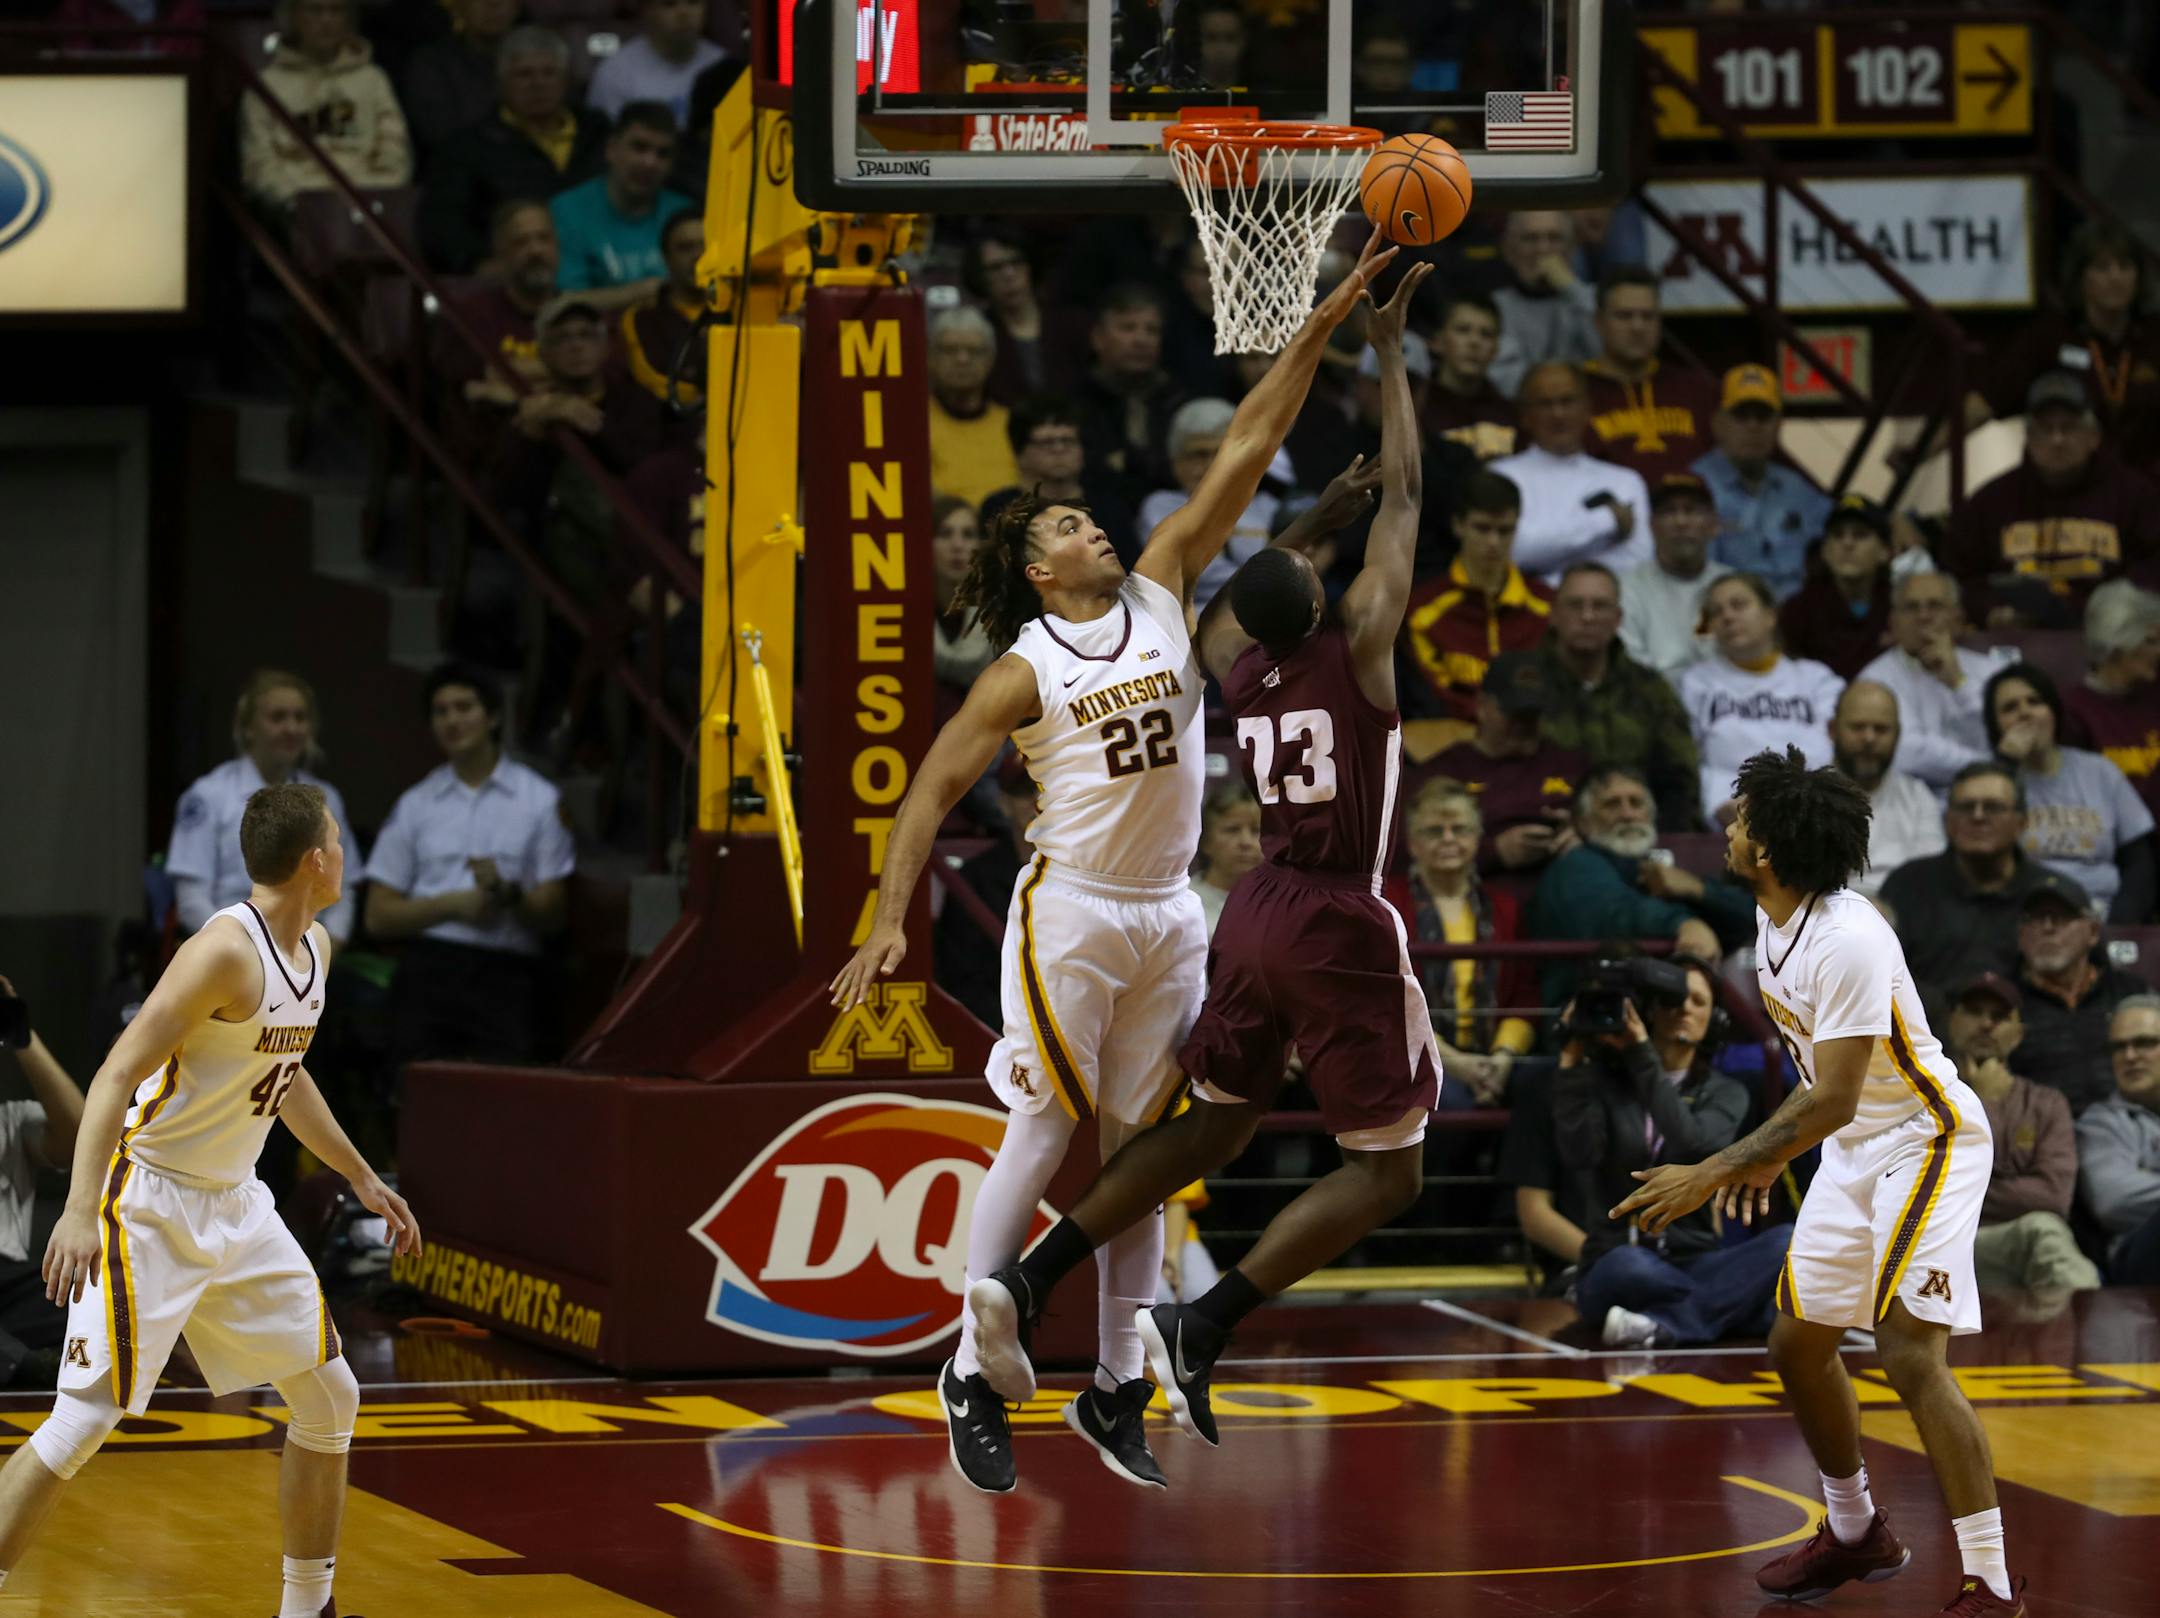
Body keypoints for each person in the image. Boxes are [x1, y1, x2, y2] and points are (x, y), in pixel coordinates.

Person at [826, 236, 1400, 1496]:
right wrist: (885, 918)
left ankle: (1111, 1383)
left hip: (1170, 913)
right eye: (1074, 523)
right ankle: (970, 1367)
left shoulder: (1157, 588)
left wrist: (1328, 316)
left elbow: (1249, 436)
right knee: (1044, 1121)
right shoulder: (1028, 663)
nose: (1098, 521)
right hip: (1072, 906)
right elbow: (928, 785)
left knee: (1148, 1151)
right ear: (1044, 567)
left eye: (1093, 515)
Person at [952, 260, 1444, 1463]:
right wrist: (1383, 355)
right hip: (1329, 914)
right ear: (1324, 601)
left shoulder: (1232, 665)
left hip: (1240, 911)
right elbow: (1411, 500)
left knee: (1195, 1130)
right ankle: (1200, 1317)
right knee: (1392, 1172)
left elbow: (1260, 572)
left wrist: (1314, 518)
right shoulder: (1362, 647)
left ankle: (1050, 1297)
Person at [1614, 747, 2024, 1615]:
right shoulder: (1772, 918)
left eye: (1741, 819)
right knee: (1797, 1347)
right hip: (1850, 1144)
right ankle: (1854, 1530)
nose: (1728, 827)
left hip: (1925, 1137)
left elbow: (1834, 1096)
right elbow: (1825, 1088)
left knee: (1911, 1354)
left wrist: (1717, 1167)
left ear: (1767, 849)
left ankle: (1991, 1583)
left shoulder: (1849, 937)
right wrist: (1767, 1154)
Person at [0, 783, 420, 1618]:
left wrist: (359, 1173)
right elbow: (118, 1072)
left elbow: (284, 1074)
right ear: (316, 860)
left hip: (237, 1206)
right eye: (338, 841)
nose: (344, 854)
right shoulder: (223, 950)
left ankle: (308, 1609)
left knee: (332, 1395)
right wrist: (81, 1209)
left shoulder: (318, 952)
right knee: (82, 1422)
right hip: (149, 1203)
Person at [1507, 953, 1787, 1345]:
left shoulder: (1728, 1092)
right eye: (1675, 999)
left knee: (1787, 1241)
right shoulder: (1604, 1083)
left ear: (1715, 1021)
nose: (1685, 1010)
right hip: (1619, 1258)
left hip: (1697, 1260)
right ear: (1650, 1011)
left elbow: (1690, 1140)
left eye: (1698, 1002)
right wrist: (1572, 1068)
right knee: (1632, 1268)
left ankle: (1666, 1323)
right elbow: (1579, 1154)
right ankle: (1724, 1309)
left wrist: (1642, 1055)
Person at [365, 665, 577, 1069]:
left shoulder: (539, 800)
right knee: (418, 1096)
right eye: (440, 712)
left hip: (508, 974)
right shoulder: (416, 804)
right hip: (430, 969)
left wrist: (509, 894)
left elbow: (554, 913)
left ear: (493, 717)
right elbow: (377, 917)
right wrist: (453, 906)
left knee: (504, 1101)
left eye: (464, 707)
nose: (452, 721)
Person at [1940, 371, 2160, 629]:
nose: (2057, 440)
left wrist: (2111, 608)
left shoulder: (2134, 495)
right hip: (2014, 636)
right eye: (2045, 429)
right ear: (2029, 438)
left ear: (2094, 437)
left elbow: (2153, 568)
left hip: (2110, 639)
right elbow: (1960, 576)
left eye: (2069, 427)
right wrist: (1990, 612)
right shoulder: (1990, 502)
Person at [1528, 765, 1753, 1010]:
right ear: (1582, 821)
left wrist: (1698, 890)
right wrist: (1684, 924)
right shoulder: (1573, 866)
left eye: (1636, 803)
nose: (1628, 814)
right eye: (1612, 804)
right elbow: (1617, 915)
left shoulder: (1654, 872)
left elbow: (1749, 916)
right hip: (1584, 1028)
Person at [168, 670, 366, 947]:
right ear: (248, 727)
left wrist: (327, 947)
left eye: (300, 717)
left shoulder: (326, 799)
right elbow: (192, 899)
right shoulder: (209, 795)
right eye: (278, 717)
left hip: (307, 954)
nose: (292, 728)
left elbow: (343, 889)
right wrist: (247, 949)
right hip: (232, 951)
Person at [1940, 975, 2099, 1297]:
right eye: (1974, 1012)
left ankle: (2085, 1343)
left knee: (2044, 1231)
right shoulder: (1923, 1096)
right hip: (1938, 1240)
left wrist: (1966, 1186)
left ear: (2019, 1034)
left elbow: (2053, 1196)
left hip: (2008, 1244)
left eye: (1999, 1017)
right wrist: (1979, 1101)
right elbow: (1919, 1188)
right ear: (1952, 1021)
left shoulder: (2047, 1103)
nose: (1986, 1024)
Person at [1386, 779, 1535, 1106]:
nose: (1449, 839)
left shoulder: (1505, 907)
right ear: (1412, 843)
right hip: (1411, 1058)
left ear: (1478, 838)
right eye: (1434, 831)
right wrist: (1456, 1063)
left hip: (1493, 1056)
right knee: (1449, 1099)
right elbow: (1385, 1000)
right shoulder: (1388, 904)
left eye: (1460, 829)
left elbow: (1525, 994)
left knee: (1545, 1083)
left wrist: (1502, 1058)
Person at [1972, 221, 2160, 478]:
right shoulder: (2049, 338)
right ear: (2081, 277)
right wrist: (1918, 449)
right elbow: (1987, 401)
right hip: (2070, 491)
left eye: (2125, 267)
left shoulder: (2153, 337)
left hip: (2146, 493)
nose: (2115, 277)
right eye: (2102, 268)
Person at [419, 27, 608, 273]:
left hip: (601, 266)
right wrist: (477, 263)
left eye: (549, 73)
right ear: (500, 83)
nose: (538, 84)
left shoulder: (599, 133)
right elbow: (442, 225)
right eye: (524, 74)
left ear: (566, 81)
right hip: (516, 275)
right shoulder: (468, 147)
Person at [1535, 561, 1703, 833]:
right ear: (1553, 614)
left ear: (1618, 619)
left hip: (1638, 833)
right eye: (1575, 605)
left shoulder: (1650, 689)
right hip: (1548, 834)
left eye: (1600, 606)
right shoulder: (1525, 685)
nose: (1588, 616)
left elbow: (1681, 780)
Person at [1984, 661, 2155, 920]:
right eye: (2010, 708)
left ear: (2053, 711)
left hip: (2101, 910)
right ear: (1995, 726)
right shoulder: (1989, 780)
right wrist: (2005, 765)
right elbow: (1982, 851)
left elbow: (2139, 859)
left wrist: (2123, 919)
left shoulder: (2099, 771)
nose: (2025, 713)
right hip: (2023, 915)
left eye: (2035, 702)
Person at [1879, 762, 2057, 1011]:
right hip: (1926, 1034)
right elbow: (1880, 980)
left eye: (1993, 807)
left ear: (2022, 822)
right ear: (1948, 821)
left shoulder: (2053, 896)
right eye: (1965, 807)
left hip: (2029, 1036)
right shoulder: (1907, 886)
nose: (1978, 816)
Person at [1414, 652, 1587, 897]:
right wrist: (1495, 851)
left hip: (1565, 891)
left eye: (1533, 713)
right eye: (1514, 713)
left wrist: (1584, 834)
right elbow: (1408, 853)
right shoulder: (1444, 772)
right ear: (1482, 706)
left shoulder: (1571, 765)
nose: (1524, 724)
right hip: (1475, 897)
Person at [1679, 573, 1845, 827]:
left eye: (1739, 605)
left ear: (1770, 615)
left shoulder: (1816, 679)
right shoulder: (1697, 683)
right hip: (1731, 821)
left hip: (1816, 814)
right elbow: (1686, 762)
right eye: (1716, 611)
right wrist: (1720, 802)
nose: (1727, 617)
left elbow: (1839, 751)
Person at [1401, 470, 1550, 718]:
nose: (1493, 541)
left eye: (1504, 531)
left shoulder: (1548, 605)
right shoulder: (1421, 610)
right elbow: (1431, 696)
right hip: (1455, 739)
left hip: (1536, 735)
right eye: (1482, 528)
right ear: (1458, 525)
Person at [240, 0, 412, 214]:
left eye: (336, 10)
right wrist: (299, 202)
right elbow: (259, 165)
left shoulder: (373, 80)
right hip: (296, 209)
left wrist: (370, 199)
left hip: (366, 209)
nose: (326, 20)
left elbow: (395, 155)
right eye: (315, 10)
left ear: (349, 18)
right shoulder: (267, 85)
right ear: (293, 17)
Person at [1855, 573, 2015, 794]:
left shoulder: (1993, 672)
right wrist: (1991, 764)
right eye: (1911, 607)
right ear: (1893, 622)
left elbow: (2006, 738)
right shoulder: (1874, 680)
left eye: (1935, 606)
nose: (1923, 616)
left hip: (1991, 796)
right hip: (1908, 803)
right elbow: (1906, 754)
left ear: (1957, 618)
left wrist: (1959, 683)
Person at [1490, 363, 1651, 582]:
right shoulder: (1500, 477)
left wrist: (1546, 568)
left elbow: (1636, 561)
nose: (1558, 414)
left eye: (1567, 401)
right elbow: (1513, 551)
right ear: (1525, 415)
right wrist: (1607, 521)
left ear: (1587, 409)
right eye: (1546, 404)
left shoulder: (1624, 481)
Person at [2010, 872, 2150, 1116]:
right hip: (2038, 1136)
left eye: (2060, 917)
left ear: (2093, 932)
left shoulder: (2130, 993)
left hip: (2131, 1129)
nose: (2048, 927)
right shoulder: (2003, 1004)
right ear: (2021, 936)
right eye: (2036, 918)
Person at [0, 976, 81, 1388]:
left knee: (91, 1298)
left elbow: (80, 1136)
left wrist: (22, 1034)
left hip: (8, 1286)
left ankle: (14, 1358)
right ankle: (21, 1364)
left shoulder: (11, 1120)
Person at [1694, 364, 1833, 602]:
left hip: (1793, 620)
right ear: (1718, 423)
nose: (1753, 426)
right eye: (1741, 415)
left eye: (1763, 416)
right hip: (1726, 616)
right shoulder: (1697, 486)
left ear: (1779, 425)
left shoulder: (1795, 488)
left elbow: (1841, 521)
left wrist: (1894, 522)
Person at [1580, 265, 1719, 483]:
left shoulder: (1697, 390)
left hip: (1688, 514)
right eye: (1624, 316)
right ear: (1599, 322)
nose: (1638, 326)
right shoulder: (1575, 393)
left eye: (1648, 316)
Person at [931, 756, 1039, 1030]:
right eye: (1025, 792)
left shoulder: (1097, 875)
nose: (1039, 801)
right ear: (1003, 803)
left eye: (1049, 789)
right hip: (1005, 1040)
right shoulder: (973, 882)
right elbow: (962, 981)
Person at [1140, 398, 1281, 607]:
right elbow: (1191, 573)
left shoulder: (1269, 508)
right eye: (1198, 454)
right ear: (1176, 462)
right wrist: (1263, 580)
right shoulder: (1160, 507)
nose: (1210, 465)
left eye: (1220, 453)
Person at [980, 397, 1143, 570]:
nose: (1059, 449)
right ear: (1019, 453)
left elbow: (1128, 572)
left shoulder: (1110, 508)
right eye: (1047, 442)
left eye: (1068, 441)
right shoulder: (1000, 509)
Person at [547, 103, 694, 293]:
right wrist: (650, 290)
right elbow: (570, 301)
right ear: (611, 148)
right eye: (639, 147)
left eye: (663, 154)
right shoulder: (567, 211)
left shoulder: (684, 214)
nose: (650, 162)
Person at [1072, 282, 1187, 512]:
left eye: (1151, 330)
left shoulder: (1177, 399)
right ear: (1098, 338)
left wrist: (1128, 461)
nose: (1141, 339)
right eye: (1127, 328)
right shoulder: (1077, 403)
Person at [1829, 682, 1944, 900]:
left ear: (1898, 735)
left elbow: (1929, 879)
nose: (1869, 738)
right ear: (1832, 729)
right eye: (1858, 727)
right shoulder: (1804, 797)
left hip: (1903, 916)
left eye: (1881, 729)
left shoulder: (1918, 797)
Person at [2076, 996, 2160, 1282]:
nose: (2130, 1056)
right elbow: (2113, 1201)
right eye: (2119, 1047)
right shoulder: (2101, 1123)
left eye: (2145, 1043)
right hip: (2139, 1257)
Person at [1617, 470, 1731, 680]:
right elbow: (1632, 669)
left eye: (1692, 511)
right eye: (1669, 512)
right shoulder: (1626, 589)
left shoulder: (1734, 587)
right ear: (1652, 526)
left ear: (1713, 524)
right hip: (1655, 703)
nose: (1681, 522)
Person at [2062, 578, 2160, 821]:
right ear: (2117, 644)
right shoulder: (2072, 711)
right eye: (2150, 641)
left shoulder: (2155, 697)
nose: (2159, 651)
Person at [1779, 498, 1894, 680]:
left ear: (1885, 551)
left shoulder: (1900, 606)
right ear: (1824, 551)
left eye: (1860, 535)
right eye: (1838, 535)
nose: (1847, 544)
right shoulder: (1797, 611)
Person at [1488, 213, 1599, 399]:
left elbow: (1606, 352)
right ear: (1509, 250)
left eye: (1554, 238)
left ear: (1572, 249)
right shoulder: (1494, 307)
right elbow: (1502, 379)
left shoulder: (1589, 299)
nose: (1542, 249)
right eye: (1530, 239)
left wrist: (1571, 288)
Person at [927, 307, 1021, 509]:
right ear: (930, 358)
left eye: (975, 351)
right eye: (950, 350)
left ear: (990, 360)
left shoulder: (1013, 424)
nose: (963, 360)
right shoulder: (913, 424)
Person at [400, 0, 519, 155]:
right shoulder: (432, 63)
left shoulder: (543, 59)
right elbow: (440, 134)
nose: (493, 4)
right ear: (460, 7)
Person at [584, 0, 727, 124]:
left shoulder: (724, 65)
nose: (684, 13)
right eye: (669, 4)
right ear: (648, 11)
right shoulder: (615, 73)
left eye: (693, 2)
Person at [619, 207, 705, 406]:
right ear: (666, 258)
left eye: (705, 246)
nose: (698, 255)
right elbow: (652, 379)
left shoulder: (743, 310)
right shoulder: (643, 319)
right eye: (685, 248)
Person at [1423, 291, 1516, 462]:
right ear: (1437, 342)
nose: (1474, 342)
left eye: (1486, 334)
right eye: (1463, 330)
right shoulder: (1416, 408)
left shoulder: (1510, 414)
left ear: (1496, 349)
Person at [931, 496, 996, 707]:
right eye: (944, 534)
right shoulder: (899, 610)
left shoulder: (1001, 612)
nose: (957, 545)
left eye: (968, 535)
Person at [1190, 781, 1262, 937]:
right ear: (1206, 840)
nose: (1246, 842)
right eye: (1232, 830)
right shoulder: (1185, 904)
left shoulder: (1282, 904)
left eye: (1256, 831)